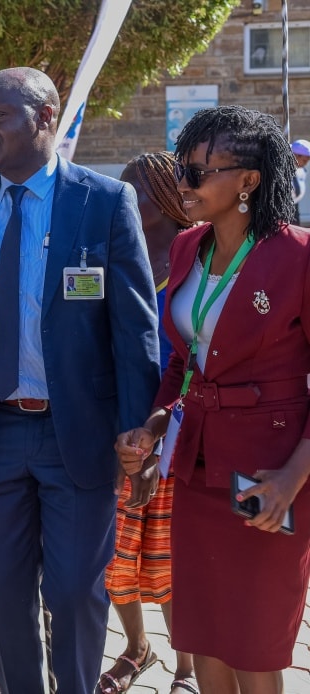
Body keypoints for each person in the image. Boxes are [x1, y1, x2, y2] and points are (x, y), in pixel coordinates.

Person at [0, 67, 160, 694]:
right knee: (1, 593)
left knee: (76, 589)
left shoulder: (104, 203)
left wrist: (140, 436)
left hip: (76, 433)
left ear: (46, 116)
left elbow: (135, 332)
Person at [116, 105, 310, 694]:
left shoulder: (299, 256)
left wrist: (290, 479)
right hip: (197, 470)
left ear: (248, 181)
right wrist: (152, 426)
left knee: (253, 645)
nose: (183, 184)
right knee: (204, 642)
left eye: (198, 172)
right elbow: (184, 360)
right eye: (181, 168)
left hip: (266, 475)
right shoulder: (187, 249)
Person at [99, 152, 194, 694]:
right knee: (115, 558)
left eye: (132, 187)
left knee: (170, 560)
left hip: (173, 430)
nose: (122, 195)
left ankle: (186, 667)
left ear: (162, 197)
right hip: (118, 429)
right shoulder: (114, 259)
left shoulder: (192, 264)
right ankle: (136, 648)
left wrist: (158, 441)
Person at [291, 139, 309, 223]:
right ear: (296, 156)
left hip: (295, 207)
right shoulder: (281, 170)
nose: (306, 163)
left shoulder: (302, 171)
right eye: (304, 160)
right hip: (282, 208)